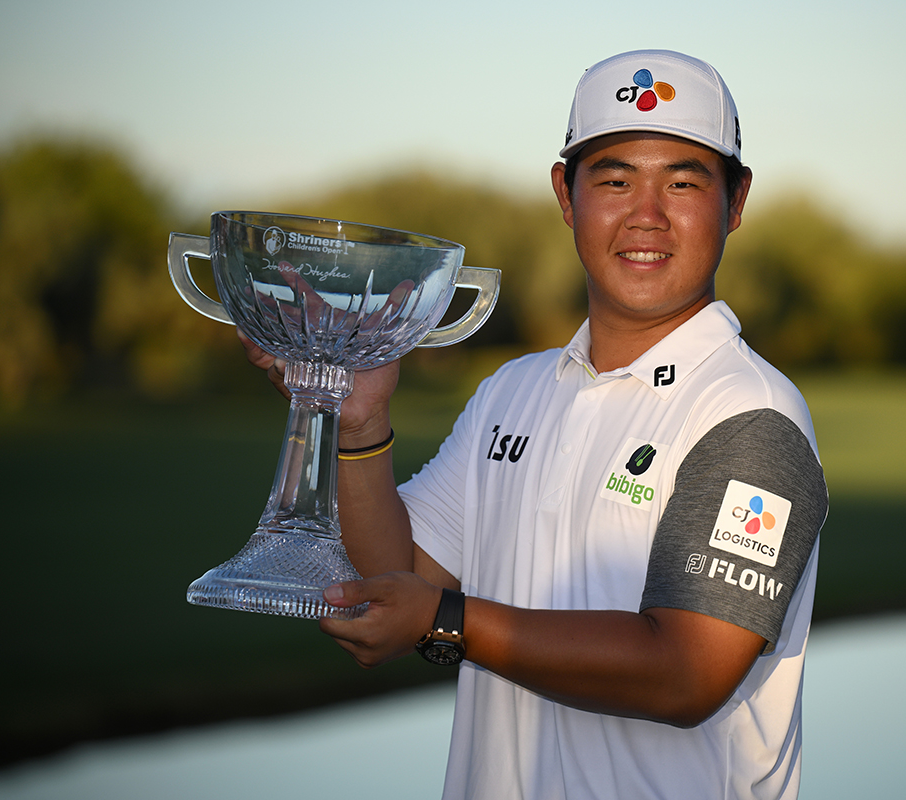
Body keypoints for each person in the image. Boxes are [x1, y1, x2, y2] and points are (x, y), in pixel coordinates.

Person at [244, 49, 828, 800]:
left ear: (735, 201)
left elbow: (686, 673)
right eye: (614, 180)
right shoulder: (511, 393)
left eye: (683, 182)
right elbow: (394, 584)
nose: (646, 215)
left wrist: (447, 619)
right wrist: (361, 424)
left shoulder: (752, 415)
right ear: (565, 193)